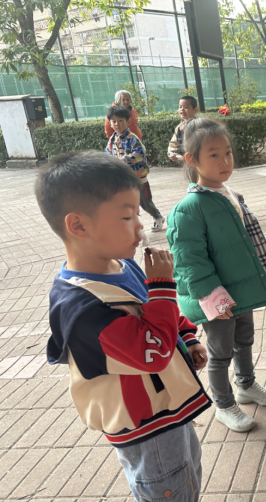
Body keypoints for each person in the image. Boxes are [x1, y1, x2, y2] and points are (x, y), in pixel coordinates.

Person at [37, 151, 211, 501]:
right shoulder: (82, 307)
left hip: (167, 407)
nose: (140, 227)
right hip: (146, 426)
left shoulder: (121, 264)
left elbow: (153, 312)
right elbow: (151, 352)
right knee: (172, 489)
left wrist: (186, 336)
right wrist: (162, 287)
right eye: (127, 216)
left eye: (138, 214)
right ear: (79, 226)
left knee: (189, 476)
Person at [167, 118, 266, 432]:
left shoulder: (228, 193)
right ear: (191, 159)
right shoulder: (189, 208)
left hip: (240, 290)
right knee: (220, 353)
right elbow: (189, 261)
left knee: (244, 340)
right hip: (217, 298)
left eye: (228, 152)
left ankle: (246, 385)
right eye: (214, 155)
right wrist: (212, 298)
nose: (225, 161)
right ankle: (224, 405)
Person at [105, 105, 166, 232]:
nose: (117, 124)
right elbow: (108, 153)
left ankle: (157, 217)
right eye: (114, 121)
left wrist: (122, 159)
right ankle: (132, 223)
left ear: (128, 122)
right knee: (127, 202)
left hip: (138, 177)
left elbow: (139, 154)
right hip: (123, 178)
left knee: (145, 202)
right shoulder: (112, 139)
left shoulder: (132, 138)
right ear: (110, 123)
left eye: (121, 121)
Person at [168, 95, 199, 162]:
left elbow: (201, 141)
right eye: (180, 107)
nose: (182, 109)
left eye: (186, 107)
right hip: (186, 162)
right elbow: (173, 144)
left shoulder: (200, 124)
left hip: (199, 161)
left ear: (195, 110)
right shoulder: (179, 127)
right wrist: (172, 154)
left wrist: (187, 130)